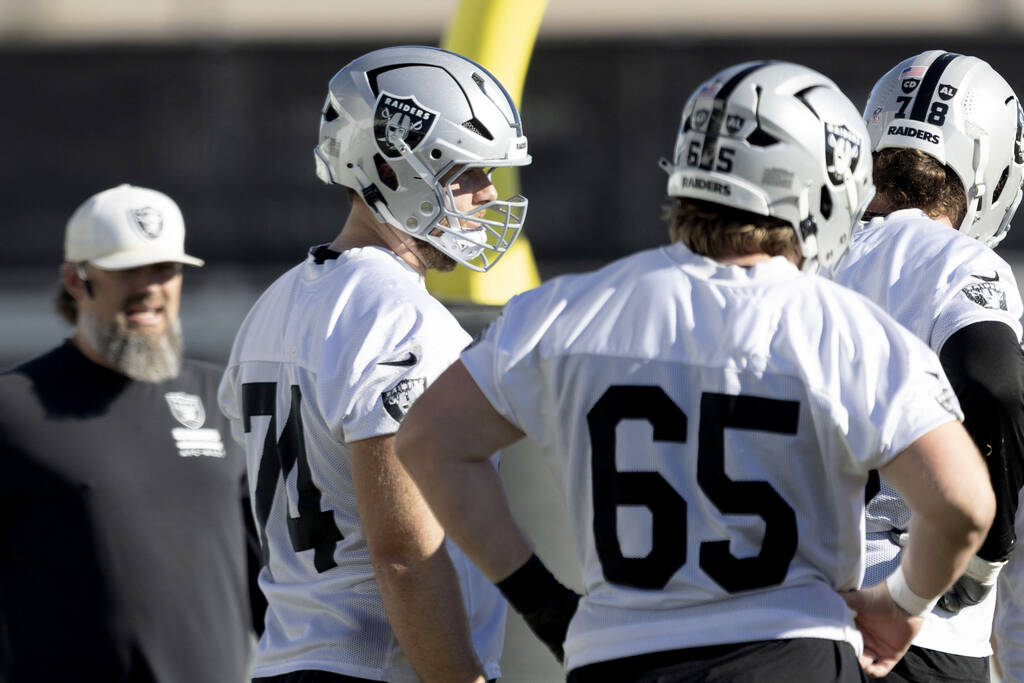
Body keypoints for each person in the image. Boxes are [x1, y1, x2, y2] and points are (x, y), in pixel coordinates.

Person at [395, 61, 996, 682]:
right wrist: (901, 605)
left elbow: (429, 441)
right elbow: (964, 505)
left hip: (619, 661)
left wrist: (544, 605)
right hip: (788, 655)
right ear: (822, 187)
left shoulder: (565, 310)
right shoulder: (845, 329)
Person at [217, 45, 531, 683]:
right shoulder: (401, 321)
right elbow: (404, 552)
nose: (489, 193)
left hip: (285, 661)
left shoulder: (274, 307)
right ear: (399, 169)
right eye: (469, 172)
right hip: (378, 667)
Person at [0, 183, 260, 682]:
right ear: (76, 282)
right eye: (126, 270)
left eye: (165, 269)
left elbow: (274, 584)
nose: (149, 287)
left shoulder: (224, 399)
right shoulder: (12, 409)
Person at [831, 50, 1024, 683]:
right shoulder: (961, 263)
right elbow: (994, 384)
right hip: (917, 619)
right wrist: (984, 553)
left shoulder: (805, 255)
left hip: (791, 613)